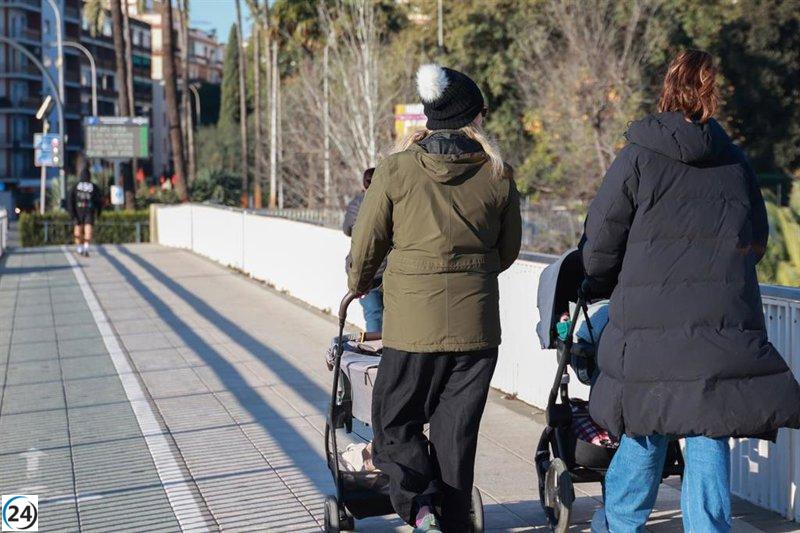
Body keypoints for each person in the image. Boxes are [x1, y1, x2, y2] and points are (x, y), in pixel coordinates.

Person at [580, 50, 800, 532]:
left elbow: (598, 244)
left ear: (667, 89)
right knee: (707, 434)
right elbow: (756, 239)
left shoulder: (638, 155)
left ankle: (619, 526)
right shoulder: (736, 162)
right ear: (712, 95)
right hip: (717, 329)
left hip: (647, 328)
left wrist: (606, 279)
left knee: (643, 427)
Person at [348, 64, 521, 532]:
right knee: (455, 436)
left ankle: (421, 510)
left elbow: (367, 243)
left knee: (393, 422)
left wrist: (360, 282)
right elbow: (507, 253)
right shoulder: (499, 174)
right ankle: (455, 520)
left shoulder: (397, 169)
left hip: (412, 329)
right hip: (477, 329)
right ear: (473, 118)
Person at [343, 168, 385, 332]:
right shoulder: (392, 199)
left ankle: (375, 354)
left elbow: (348, 228)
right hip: (388, 268)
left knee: (373, 314)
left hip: (364, 268)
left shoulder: (359, 201)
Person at [68, 164, 103, 257]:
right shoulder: (94, 187)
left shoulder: (75, 187)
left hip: (78, 212)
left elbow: (70, 201)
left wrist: (72, 214)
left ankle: (80, 248)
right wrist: (98, 213)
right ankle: (86, 248)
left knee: (78, 231)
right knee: (88, 231)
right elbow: (99, 202)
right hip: (89, 211)